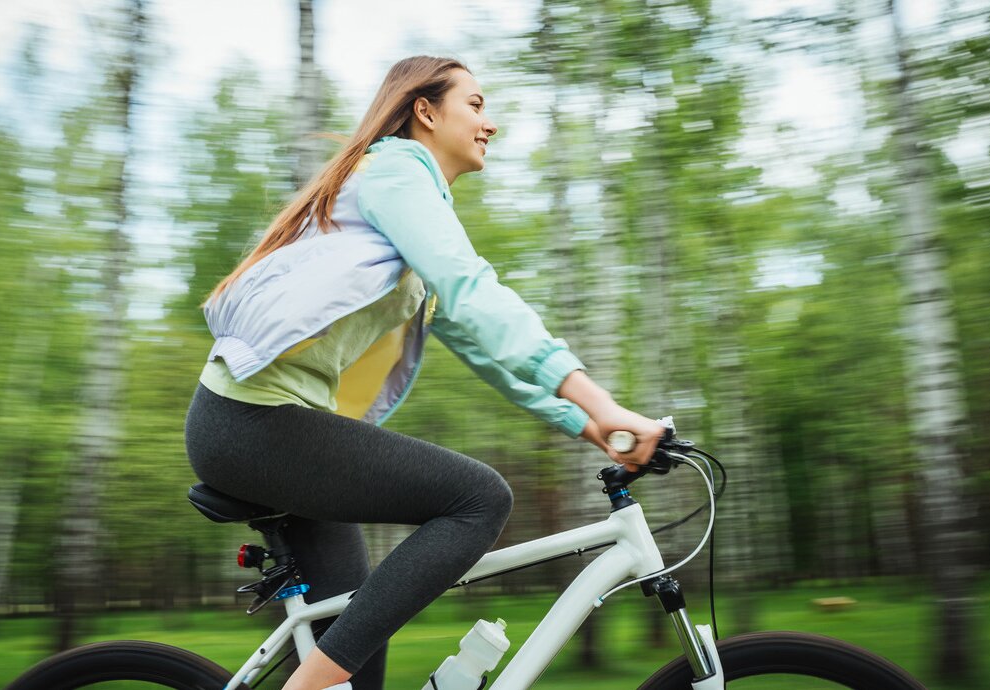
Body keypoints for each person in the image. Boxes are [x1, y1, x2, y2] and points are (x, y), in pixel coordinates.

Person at [184, 55, 666, 690]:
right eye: (475, 104)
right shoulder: (395, 170)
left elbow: (489, 351)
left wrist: (592, 427)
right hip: (251, 424)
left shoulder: (403, 214)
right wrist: (600, 401)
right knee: (478, 499)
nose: (489, 123)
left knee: (358, 657)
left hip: (270, 430)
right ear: (426, 111)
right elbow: (473, 289)